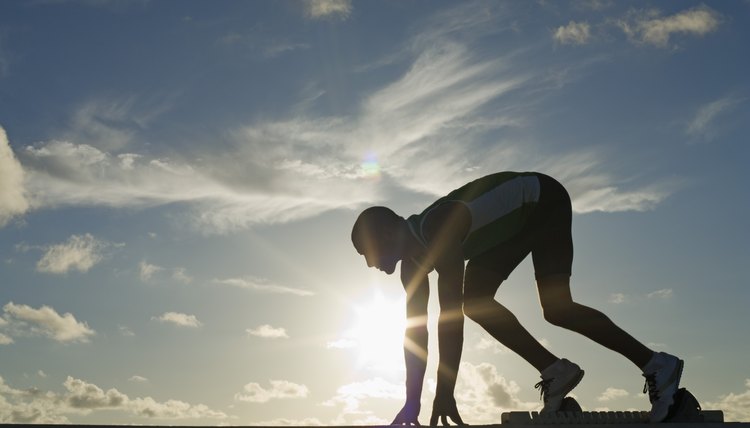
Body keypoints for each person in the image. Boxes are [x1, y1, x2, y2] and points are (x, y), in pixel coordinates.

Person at [351, 171, 683, 425]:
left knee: (556, 308)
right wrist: (412, 403)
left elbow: (449, 319)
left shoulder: (439, 227)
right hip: (506, 230)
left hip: (542, 200)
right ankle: (555, 370)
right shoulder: (412, 268)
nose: (369, 264)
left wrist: (445, 394)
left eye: (366, 252)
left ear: (383, 234)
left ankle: (657, 364)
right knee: (478, 303)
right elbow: (416, 335)